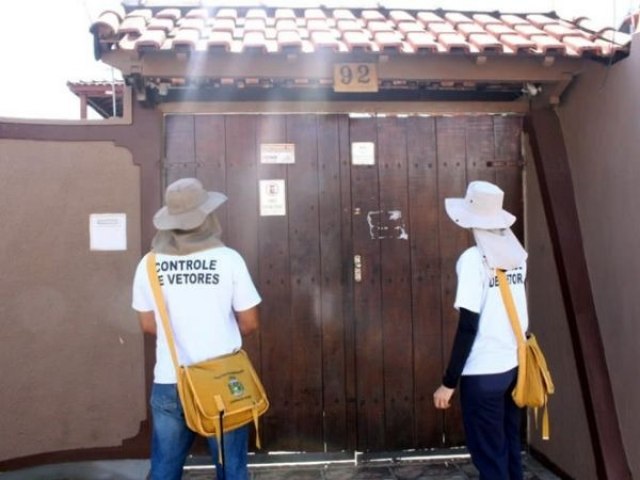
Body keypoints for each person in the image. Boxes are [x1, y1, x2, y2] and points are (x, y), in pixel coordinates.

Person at [131, 178, 262, 480]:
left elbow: (148, 324)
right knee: (232, 470)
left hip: (169, 380)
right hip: (222, 381)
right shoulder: (228, 260)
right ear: (207, 217)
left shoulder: (149, 264)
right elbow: (250, 322)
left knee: (164, 469)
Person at [433, 180, 529, 480]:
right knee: (509, 446)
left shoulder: (473, 260)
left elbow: (468, 326)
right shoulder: (518, 257)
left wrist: (449, 382)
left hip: (483, 374)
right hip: (515, 367)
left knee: (489, 456)